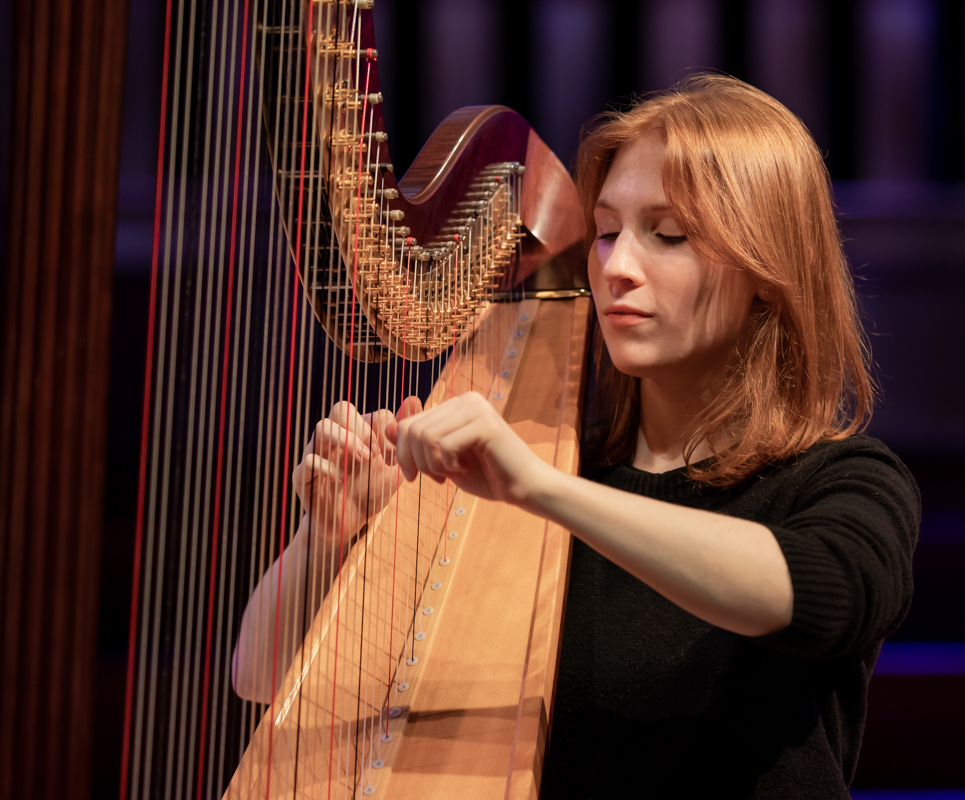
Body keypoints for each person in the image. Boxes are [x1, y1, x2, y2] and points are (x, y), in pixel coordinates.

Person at [236, 74, 919, 799]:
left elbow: (813, 592)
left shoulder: (845, 481)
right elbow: (258, 677)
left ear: (767, 272)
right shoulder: (546, 479)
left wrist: (541, 488)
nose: (617, 267)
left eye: (668, 235)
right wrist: (327, 536)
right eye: (606, 231)